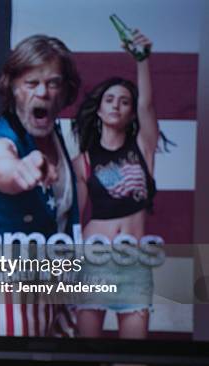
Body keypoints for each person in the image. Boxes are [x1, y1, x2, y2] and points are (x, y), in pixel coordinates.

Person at [0, 35, 81, 336]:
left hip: (59, 287)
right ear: (13, 89)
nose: (43, 93)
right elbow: (0, 166)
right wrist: (21, 170)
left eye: (53, 83)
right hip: (12, 291)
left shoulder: (58, 135)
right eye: (31, 84)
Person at [72, 30, 162, 339]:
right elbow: (74, 217)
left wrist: (142, 61)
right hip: (94, 258)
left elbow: (148, 107)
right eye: (109, 99)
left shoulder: (143, 147)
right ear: (98, 108)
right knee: (85, 356)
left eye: (124, 101)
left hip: (133, 259)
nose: (116, 105)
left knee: (134, 359)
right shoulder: (83, 160)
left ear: (130, 111)